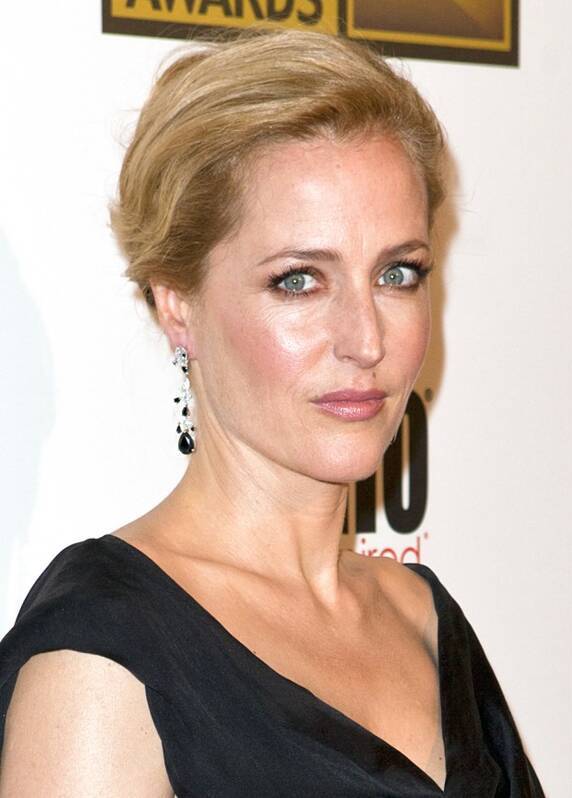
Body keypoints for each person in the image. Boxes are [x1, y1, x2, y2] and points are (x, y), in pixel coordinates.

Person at [0, 26, 544, 797]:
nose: (366, 340)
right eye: (299, 280)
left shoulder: (423, 618)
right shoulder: (101, 662)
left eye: (397, 273)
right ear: (177, 303)